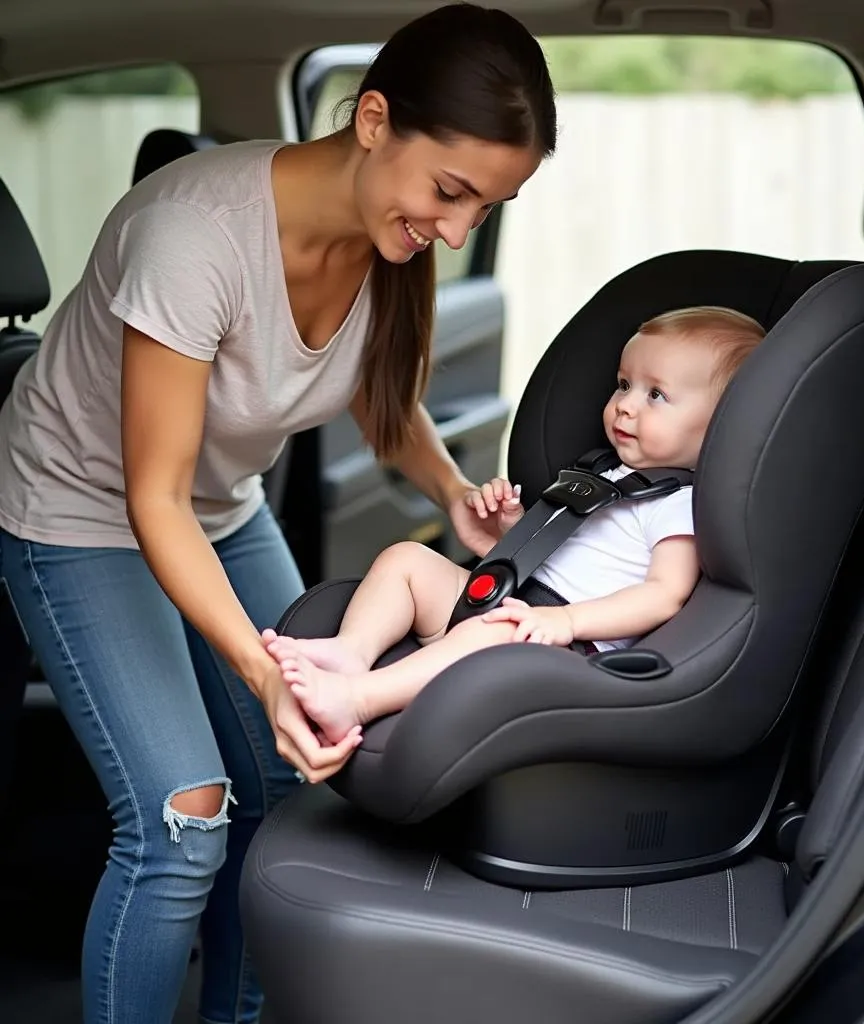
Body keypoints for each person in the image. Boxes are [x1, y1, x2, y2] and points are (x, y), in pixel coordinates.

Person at [0, 5, 556, 1023]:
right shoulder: (195, 236)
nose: (458, 230)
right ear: (376, 118)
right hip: (80, 509)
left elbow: (379, 402)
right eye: (451, 192)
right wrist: (265, 674)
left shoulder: (390, 243)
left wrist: (450, 496)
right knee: (183, 817)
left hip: (218, 504)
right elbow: (150, 495)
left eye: (488, 206)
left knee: (298, 792)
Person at [263, 305, 765, 746]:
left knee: (493, 635)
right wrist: (516, 531)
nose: (626, 404)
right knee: (407, 560)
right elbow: (573, 551)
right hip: (512, 600)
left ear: (720, 424)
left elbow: (663, 594)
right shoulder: (605, 471)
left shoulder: (679, 504)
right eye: (624, 384)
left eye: (657, 396)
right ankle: (352, 652)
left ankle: (358, 698)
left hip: (565, 649)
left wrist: (566, 622)